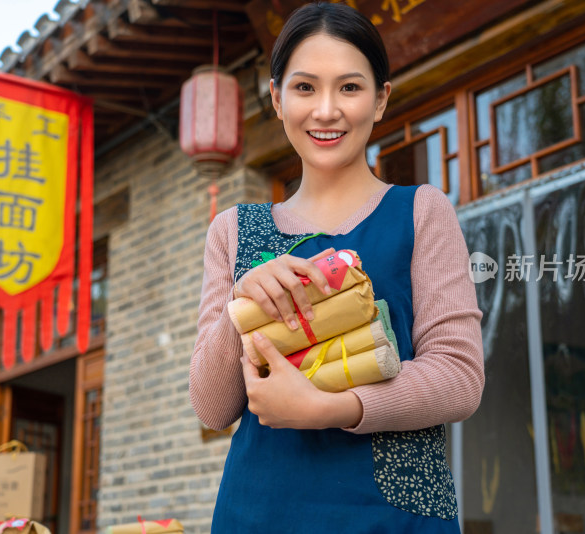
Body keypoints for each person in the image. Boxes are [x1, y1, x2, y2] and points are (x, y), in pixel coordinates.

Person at [189, 3, 484, 532]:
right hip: (259, 511)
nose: (326, 111)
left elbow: (459, 378)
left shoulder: (420, 211)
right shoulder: (234, 230)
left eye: (349, 88)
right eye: (305, 88)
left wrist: (335, 407)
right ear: (277, 100)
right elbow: (213, 408)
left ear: (380, 99)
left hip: (393, 515)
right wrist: (241, 308)